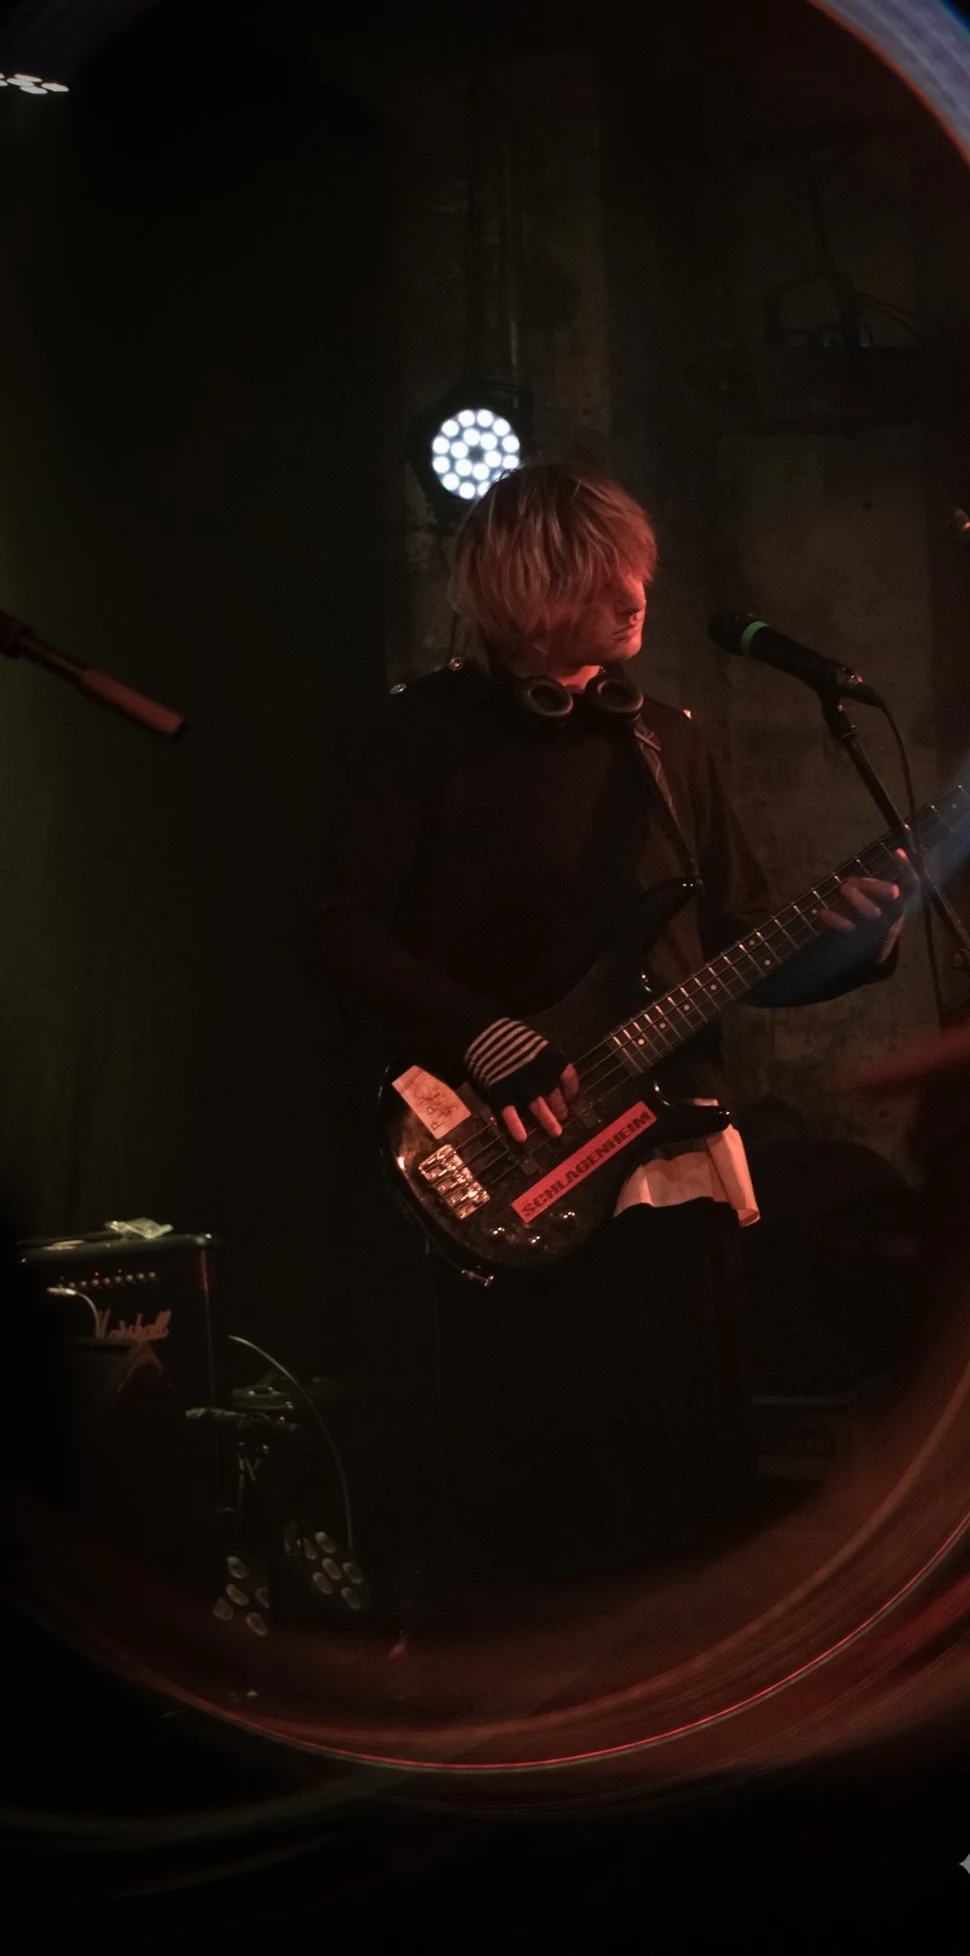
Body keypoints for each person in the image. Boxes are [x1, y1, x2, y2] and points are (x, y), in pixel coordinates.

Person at [300, 462, 907, 1580]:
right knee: (547, 1508)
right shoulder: (418, 738)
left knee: (693, 1494)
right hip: (514, 1158)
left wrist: (850, 950)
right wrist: (481, 1035)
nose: (638, 589)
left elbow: (737, 947)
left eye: (636, 565)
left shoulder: (668, 740)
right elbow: (336, 931)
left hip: (672, 1163)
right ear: (528, 588)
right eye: (601, 572)